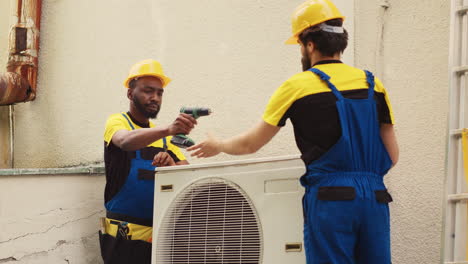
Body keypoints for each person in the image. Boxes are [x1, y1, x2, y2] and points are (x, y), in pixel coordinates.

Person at [187, 1, 399, 263]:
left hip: (331, 199)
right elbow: (392, 154)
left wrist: (219, 145)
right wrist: (364, 179)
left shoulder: (298, 86)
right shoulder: (373, 84)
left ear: (310, 44)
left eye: (300, 44)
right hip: (376, 198)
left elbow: (251, 144)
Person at [99, 59, 197, 264]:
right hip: (123, 239)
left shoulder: (163, 138)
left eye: (159, 93)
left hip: (159, 236)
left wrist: (170, 163)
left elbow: (187, 174)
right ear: (129, 93)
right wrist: (169, 129)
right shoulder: (117, 122)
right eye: (148, 91)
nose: (155, 98)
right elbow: (125, 141)